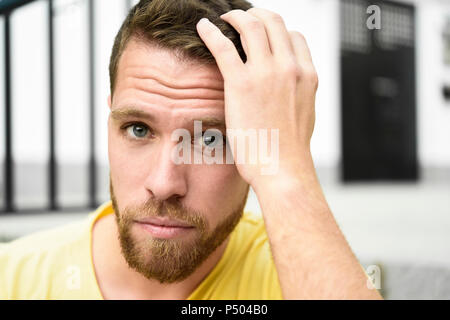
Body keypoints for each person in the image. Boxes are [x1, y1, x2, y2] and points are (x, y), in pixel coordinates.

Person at [0, 0, 382, 300]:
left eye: (210, 139)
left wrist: (286, 171)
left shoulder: (299, 275)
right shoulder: (15, 278)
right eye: (138, 129)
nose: (164, 183)